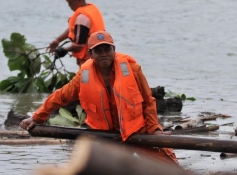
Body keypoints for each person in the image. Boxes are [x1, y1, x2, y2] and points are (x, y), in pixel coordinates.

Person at [20, 30, 179, 165]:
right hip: (107, 136)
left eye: (107, 49)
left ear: (113, 50)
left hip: (138, 131)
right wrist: (38, 117)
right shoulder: (84, 75)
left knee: (172, 172)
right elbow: (61, 96)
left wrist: (154, 129)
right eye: (98, 51)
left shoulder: (132, 69)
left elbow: (148, 100)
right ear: (90, 54)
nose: (103, 54)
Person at [48, 0, 105, 67]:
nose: (69, 6)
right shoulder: (92, 9)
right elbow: (76, 28)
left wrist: (64, 50)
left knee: (87, 79)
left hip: (89, 60)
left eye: (70, 2)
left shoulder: (82, 17)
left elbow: (78, 46)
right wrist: (58, 40)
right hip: (101, 54)